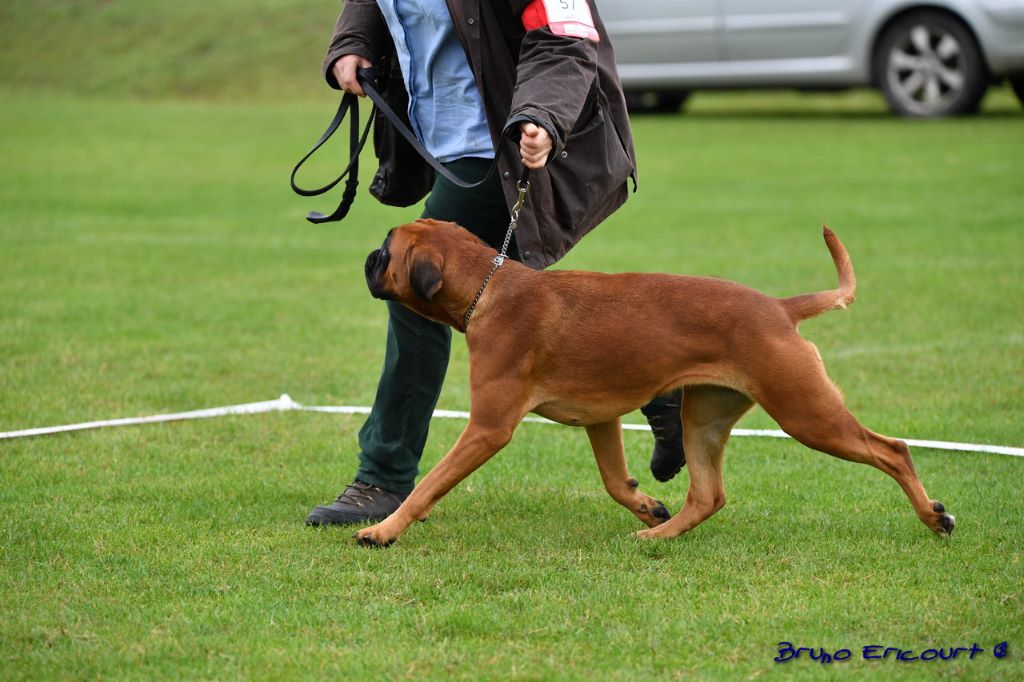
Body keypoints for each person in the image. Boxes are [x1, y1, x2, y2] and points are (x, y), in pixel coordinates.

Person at [305, 0, 685, 526]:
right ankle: (654, 377)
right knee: (527, 304)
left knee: (416, 289)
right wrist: (354, 43)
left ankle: (383, 477)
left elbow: (563, 37)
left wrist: (541, 116)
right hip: (433, 136)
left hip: (506, 143)